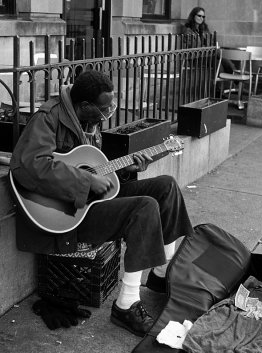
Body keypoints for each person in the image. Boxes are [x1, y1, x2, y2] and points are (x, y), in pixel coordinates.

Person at [10, 69, 193, 337]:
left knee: (166, 186)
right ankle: (126, 304)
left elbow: (96, 169)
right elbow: (28, 166)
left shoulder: (87, 120)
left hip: (90, 202)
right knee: (143, 207)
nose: (109, 111)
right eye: (105, 107)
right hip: (66, 214)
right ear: (85, 105)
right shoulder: (48, 118)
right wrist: (85, 182)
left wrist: (128, 169)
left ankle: (162, 273)